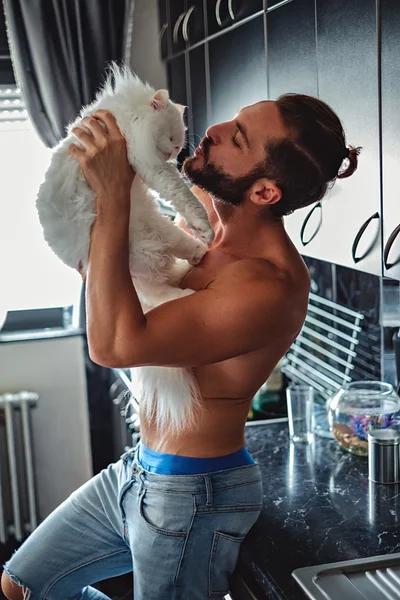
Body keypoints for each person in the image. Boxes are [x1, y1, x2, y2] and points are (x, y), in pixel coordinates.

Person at [1, 94, 359, 600]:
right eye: (233, 119)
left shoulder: (264, 285)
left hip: (194, 495)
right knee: (21, 586)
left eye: (237, 138)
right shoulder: (214, 227)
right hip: (139, 469)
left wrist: (113, 198)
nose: (213, 129)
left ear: (263, 192)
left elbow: (113, 344)